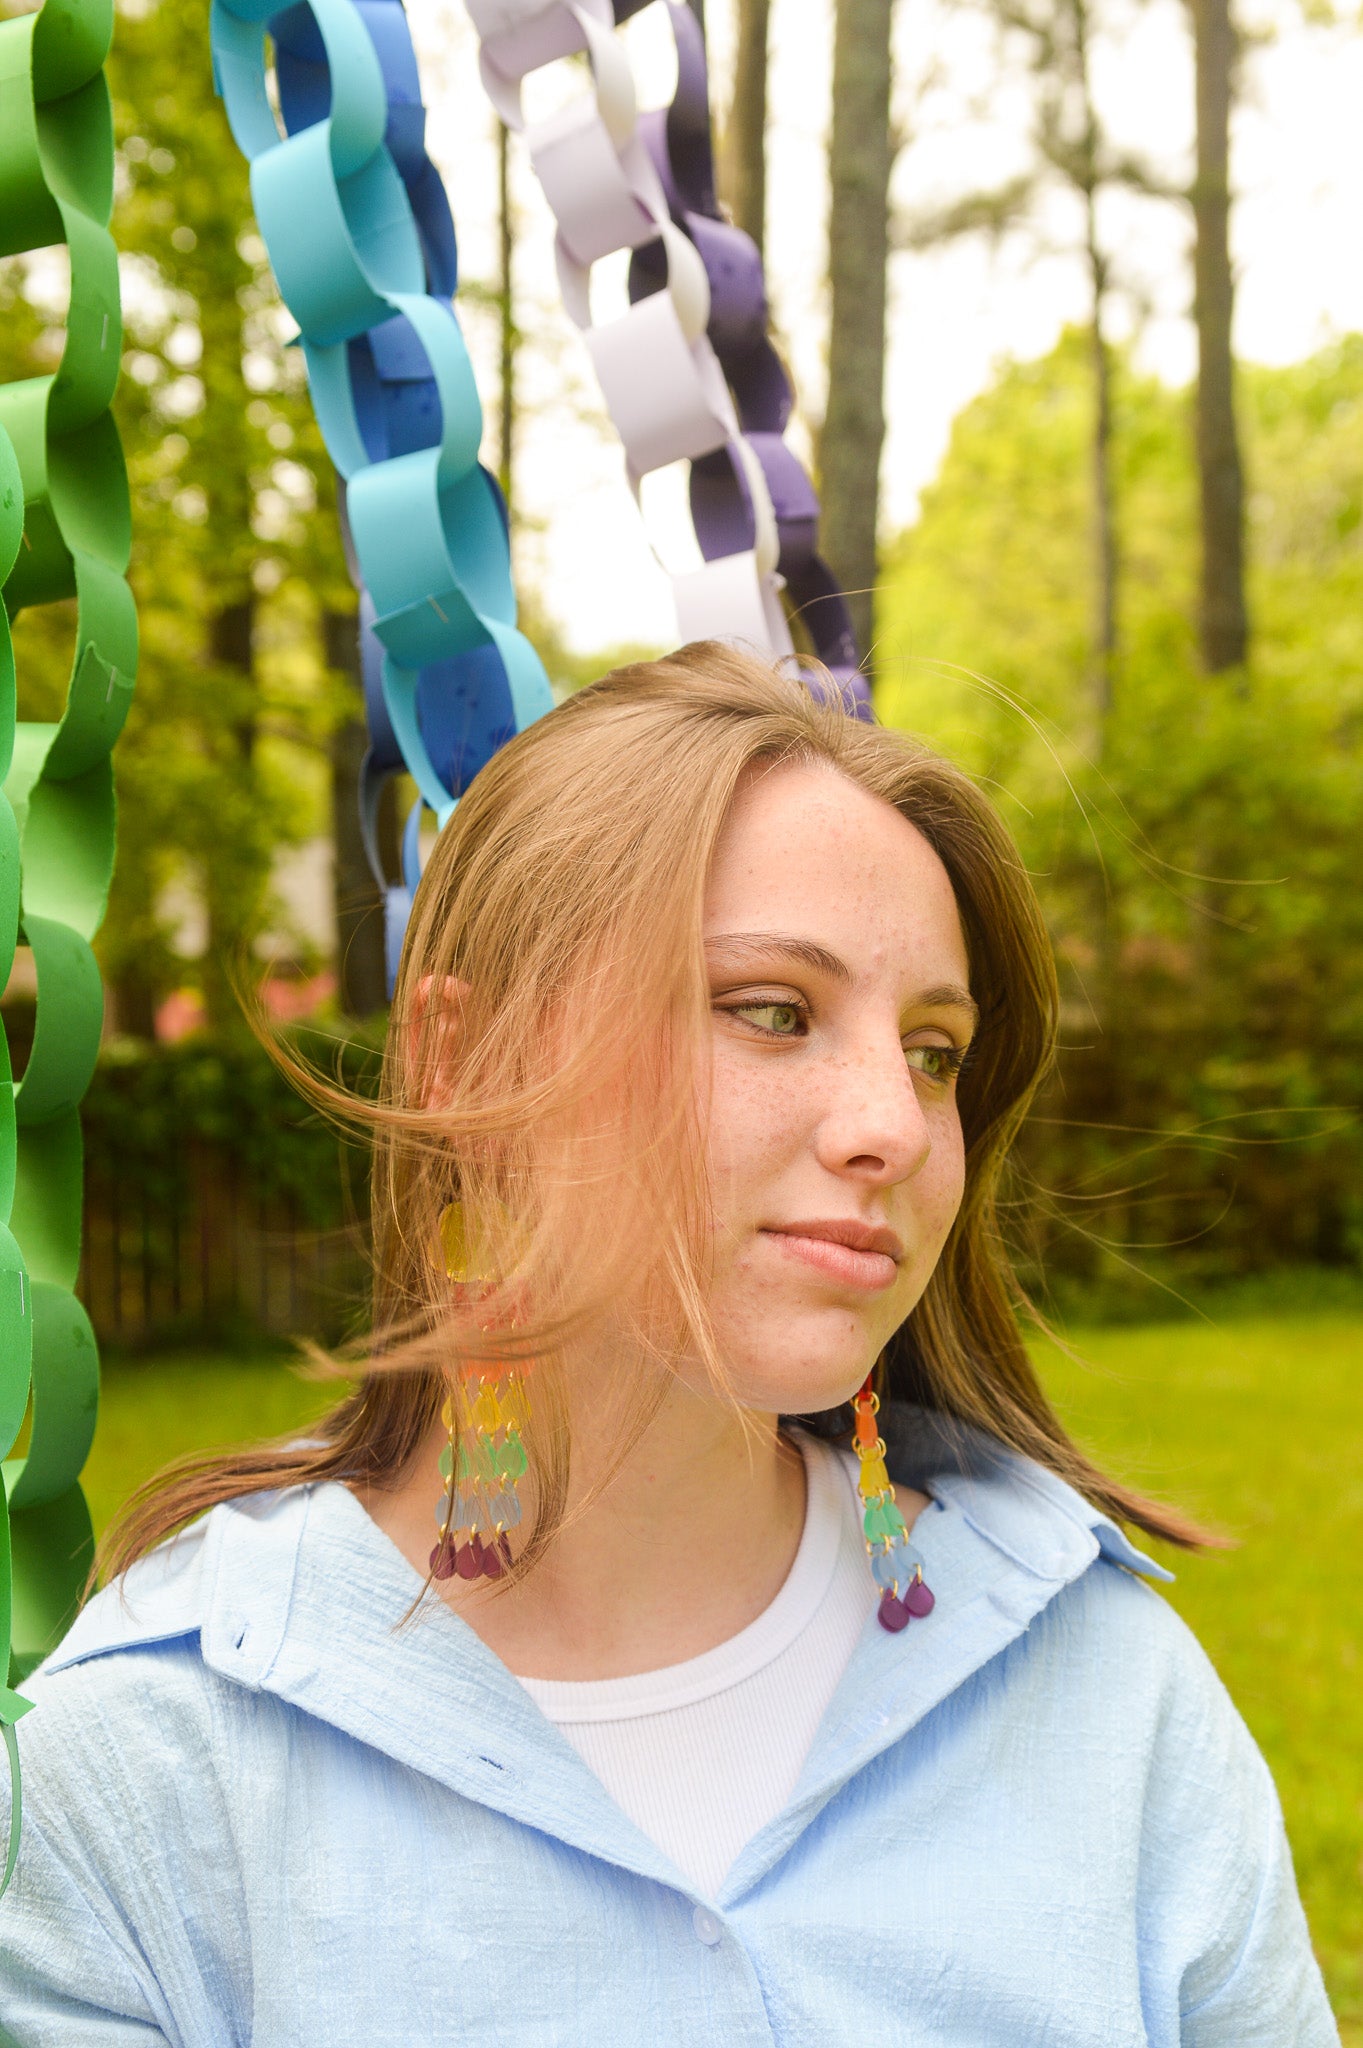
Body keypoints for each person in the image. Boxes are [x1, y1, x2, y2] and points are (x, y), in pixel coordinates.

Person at [0, 646, 1338, 2045]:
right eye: (772, 1010)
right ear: (469, 1066)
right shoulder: (150, 1770)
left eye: (936, 1050)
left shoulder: (1108, 1693)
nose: (890, 1119)